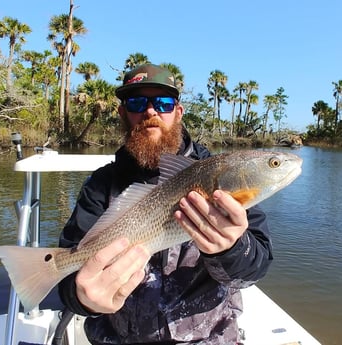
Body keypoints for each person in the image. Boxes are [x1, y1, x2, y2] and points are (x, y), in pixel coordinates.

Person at [58, 64, 273, 344]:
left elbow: (256, 267)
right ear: (123, 114)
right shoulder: (100, 185)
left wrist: (232, 249)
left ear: (178, 113)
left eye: (163, 103)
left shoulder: (220, 175)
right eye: (136, 103)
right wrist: (83, 299)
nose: (150, 112)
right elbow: (67, 276)